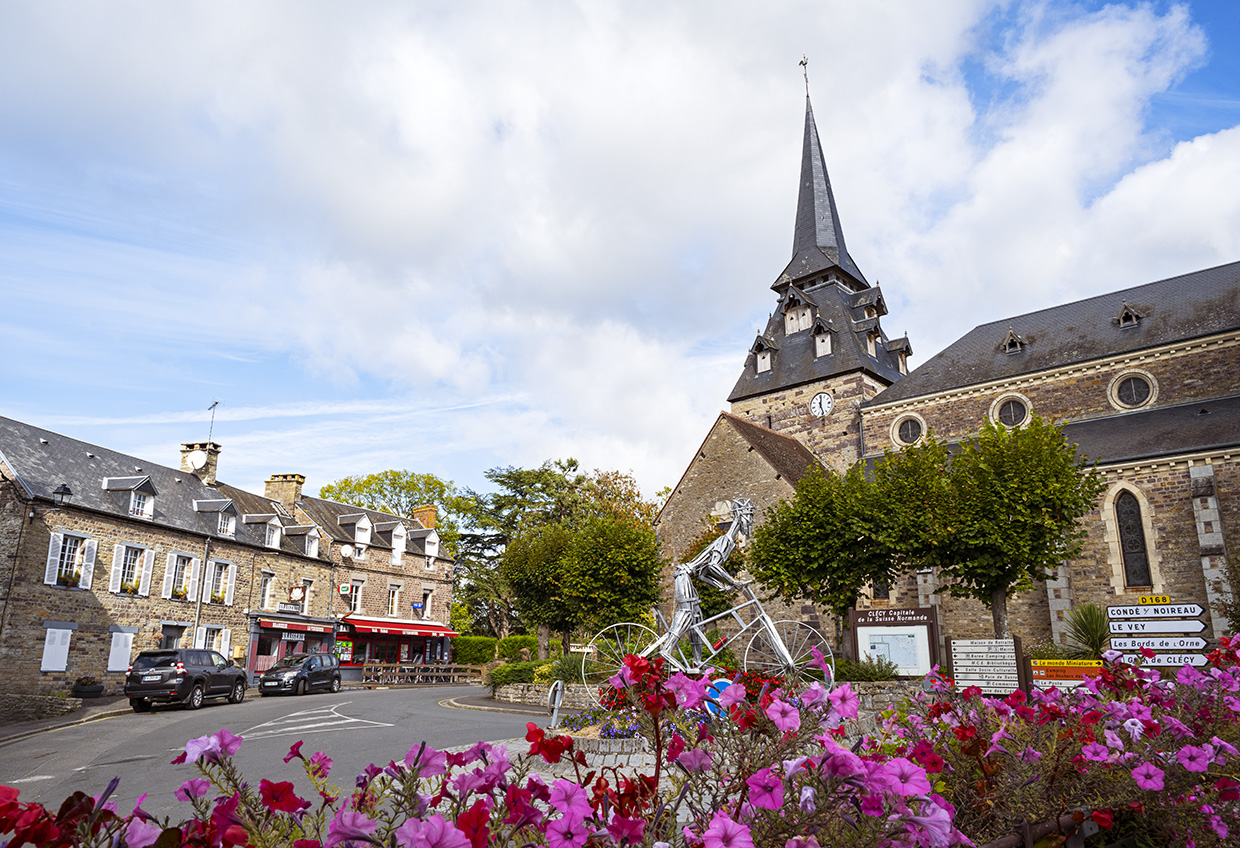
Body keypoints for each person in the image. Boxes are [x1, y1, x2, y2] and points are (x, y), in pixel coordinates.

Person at [662, 498, 754, 666]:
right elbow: (713, 565)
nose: (750, 523)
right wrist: (734, 582)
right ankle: (666, 650)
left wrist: (721, 586)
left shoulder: (728, 541)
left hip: (687, 578)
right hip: (684, 576)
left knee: (697, 620)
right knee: (687, 614)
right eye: (749, 518)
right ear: (741, 518)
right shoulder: (725, 541)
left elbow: (704, 574)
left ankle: (697, 662)